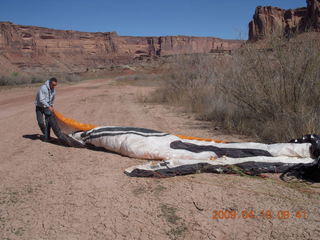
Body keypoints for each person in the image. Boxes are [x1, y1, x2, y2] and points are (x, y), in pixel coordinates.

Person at [34, 77, 58, 141]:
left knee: (48, 122)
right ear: (49, 83)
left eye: (55, 85)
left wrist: (51, 106)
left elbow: (52, 99)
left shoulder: (53, 90)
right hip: (39, 107)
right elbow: (41, 99)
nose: (54, 86)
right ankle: (46, 133)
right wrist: (48, 106)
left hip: (47, 107)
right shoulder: (43, 88)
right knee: (40, 122)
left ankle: (47, 136)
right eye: (53, 85)